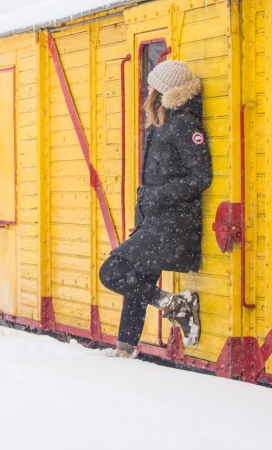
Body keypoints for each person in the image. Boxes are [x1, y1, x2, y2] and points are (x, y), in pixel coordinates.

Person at [99, 59, 212, 358]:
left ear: (163, 90)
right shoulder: (164, 123)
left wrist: (157, 197)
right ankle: (125, 350)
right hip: (157, 220)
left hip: (173, 223)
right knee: (139, 279)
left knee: (112, 271)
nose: (147, 88)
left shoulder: (184, 124)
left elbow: (201, 176)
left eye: (152, 84)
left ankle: (175, 305)